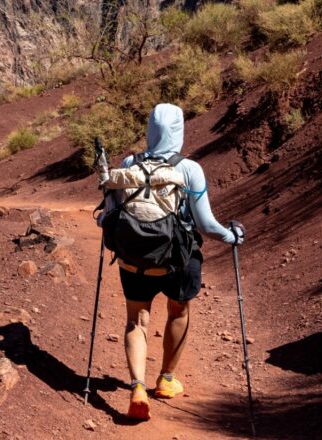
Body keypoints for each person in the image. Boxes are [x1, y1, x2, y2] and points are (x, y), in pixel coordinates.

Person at [105, 104, 245, 420]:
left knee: (136, 321)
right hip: (177, 261)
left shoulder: (129, 163)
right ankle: (167, 380)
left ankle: (138, 387)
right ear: (179, 130)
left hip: (133, 260)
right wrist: (232, 236)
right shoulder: (189, 169)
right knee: (178, 310)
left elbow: (109, 211)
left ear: (149, 129)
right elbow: (206, 225)